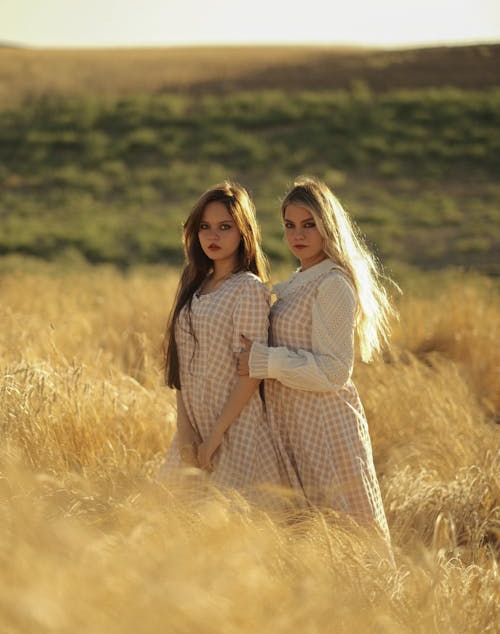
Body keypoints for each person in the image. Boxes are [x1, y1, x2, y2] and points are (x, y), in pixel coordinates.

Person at [237, 177, 395, 544]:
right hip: (294, 424)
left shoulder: (333, 283)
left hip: (325, 428)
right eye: (290, 225)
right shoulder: (299, 279)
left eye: (309, 225)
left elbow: (334, 371)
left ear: (328, 226)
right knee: (305, 539)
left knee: (345, 539)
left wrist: (264, 361)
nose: (298, 235)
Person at [161, 181, 283, 502]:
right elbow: (182, 366)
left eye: (224, 227)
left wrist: (214, 439)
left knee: (233, 531)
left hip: (235, 430)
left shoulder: (248, 289)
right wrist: (187, 434)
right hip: (193, 429)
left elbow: (251, 371)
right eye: (205, 227)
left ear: (243, 233)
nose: (212, 236)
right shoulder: (193, 283)